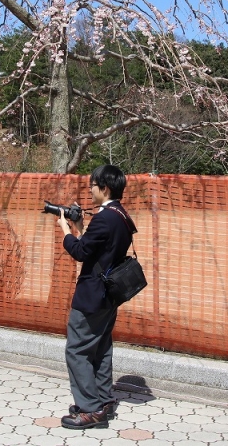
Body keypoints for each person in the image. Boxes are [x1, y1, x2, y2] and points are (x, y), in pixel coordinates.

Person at [55, 164, 137, 430]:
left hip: (92, 295)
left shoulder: (104, 217)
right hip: (109, 295)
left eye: (93, 184)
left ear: (105, 187)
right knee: (101, 348)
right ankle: (103, 400)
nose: (90, 189)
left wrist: (66, 230)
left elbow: (80, 252)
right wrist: (81, 226)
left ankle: (90, 409)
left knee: (77, 350)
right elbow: (98, 248)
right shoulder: (121, 215)